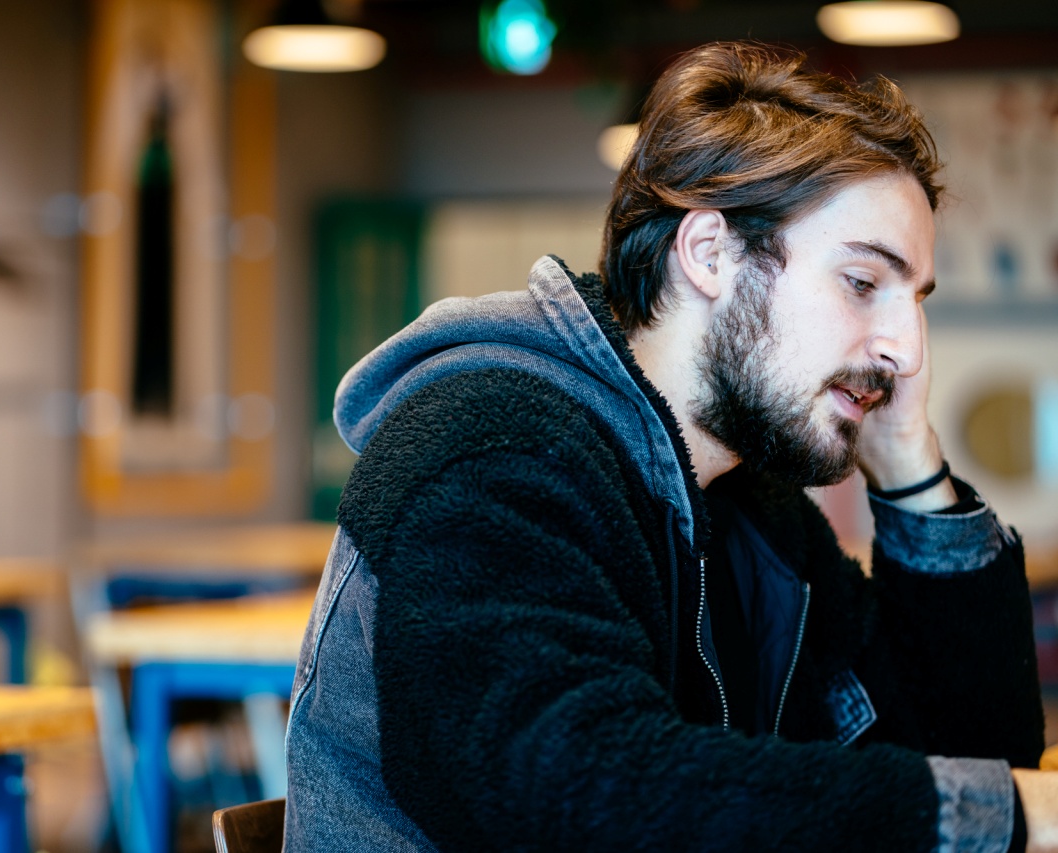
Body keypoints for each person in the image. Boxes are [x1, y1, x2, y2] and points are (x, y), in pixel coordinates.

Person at [284, 41, 1050, 852]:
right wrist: (1011, 810)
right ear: (710, 254)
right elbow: (579, 784)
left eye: (915, 300)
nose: (906, 346)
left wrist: (907, 462)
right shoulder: (489, 446)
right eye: (864, 283)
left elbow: (975, 760)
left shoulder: (753, 503)